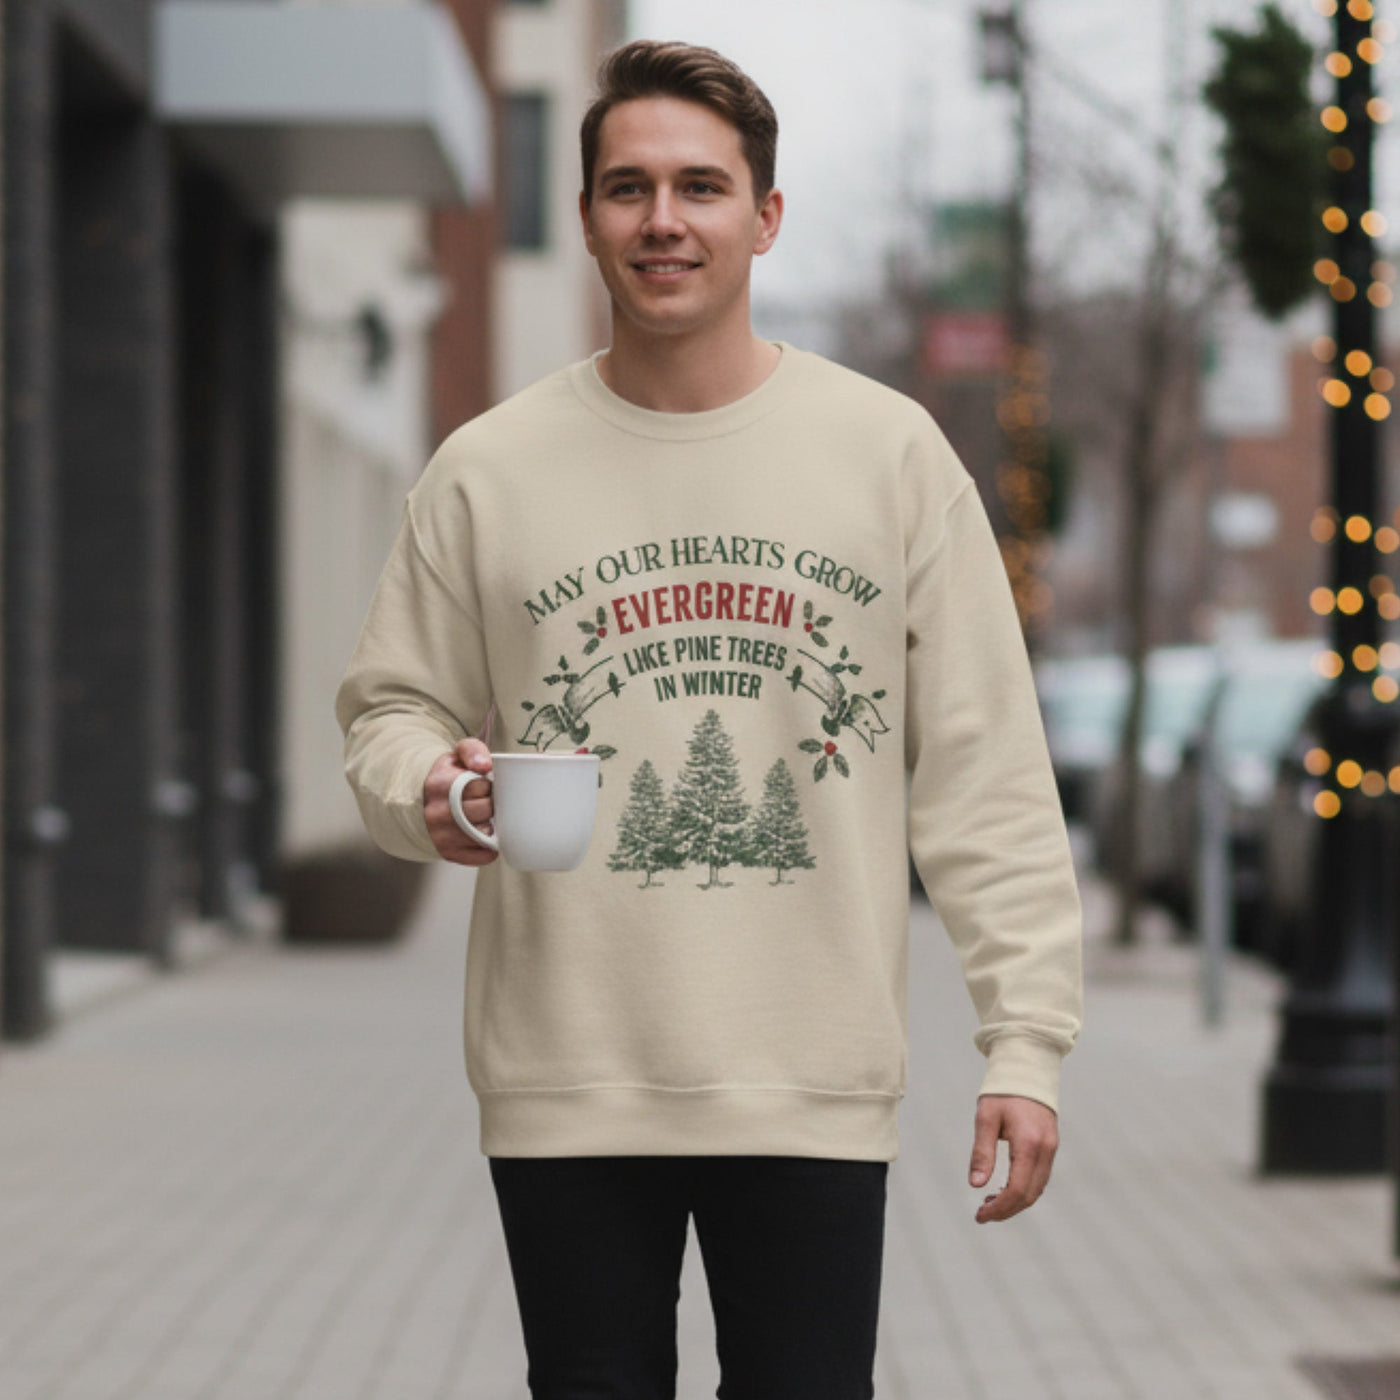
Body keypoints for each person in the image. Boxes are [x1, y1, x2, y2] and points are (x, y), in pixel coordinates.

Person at [335, 37, 1083, 1400]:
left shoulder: (890, 456)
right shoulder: (487, 469)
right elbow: (392, 706)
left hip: (809, 1074)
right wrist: (432, 793)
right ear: (585, 219)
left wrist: (1023, 1042)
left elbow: (985, 773)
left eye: (700, 187)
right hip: (565, 1072)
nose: (663, 221)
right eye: (628, 188)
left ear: (765, 216)